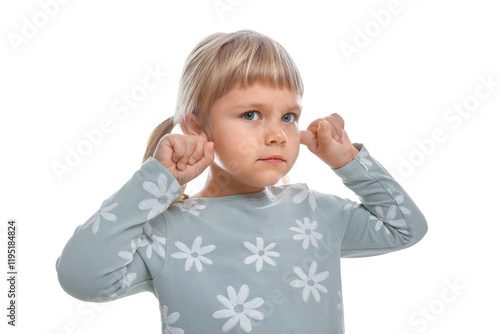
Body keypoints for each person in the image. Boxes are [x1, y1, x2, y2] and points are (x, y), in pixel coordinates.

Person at [56, 29, 427, 334]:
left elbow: (406, 228)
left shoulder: (315, 213)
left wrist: (347, 161)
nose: (278, 134)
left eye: (288, 116)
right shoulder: (168, 230)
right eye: (251, 114)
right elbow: (81, 277)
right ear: (197, 126)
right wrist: (155, 181)